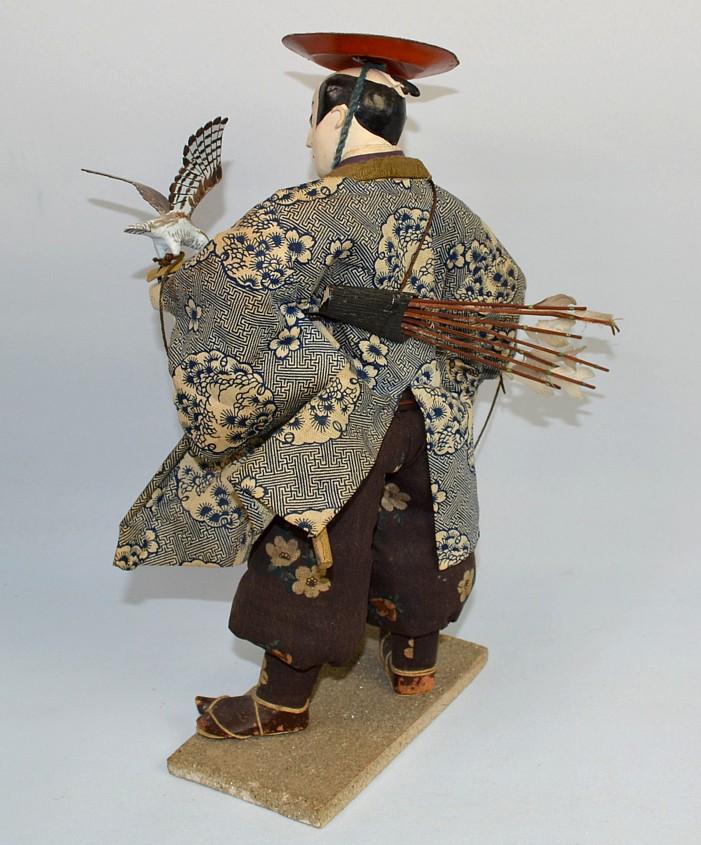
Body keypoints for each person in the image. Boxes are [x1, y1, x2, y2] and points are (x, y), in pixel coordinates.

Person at [113, 34, 526, 739]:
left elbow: (228, 289)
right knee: (418, 527)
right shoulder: (452, 211)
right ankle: (414, 660)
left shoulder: (308, 209)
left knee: (310, 543)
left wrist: (177, 268)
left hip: (341, 422)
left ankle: (281, 702)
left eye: (312, 120)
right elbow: (501, 295)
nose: (309, 137)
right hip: (430, 416)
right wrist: (457, 365)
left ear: (335, 120)